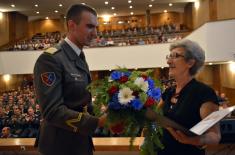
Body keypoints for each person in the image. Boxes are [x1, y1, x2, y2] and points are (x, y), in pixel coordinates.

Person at [33, 4, 106, 155]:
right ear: (72, 25)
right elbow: (52, 111)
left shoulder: (79, 56)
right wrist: (97, 122)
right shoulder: (51, 59)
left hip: (80, 142)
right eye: (90, 27)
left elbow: (81, 103)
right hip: (59, 146)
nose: (95, 33)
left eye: (96, 27)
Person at [156, 39, 221, 155]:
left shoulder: (204, 93)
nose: (169, 61)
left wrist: (193, 140)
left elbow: (215, 135)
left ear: (190, 63)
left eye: (175, 56)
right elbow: (155, 117)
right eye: (169, 56)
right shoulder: (168, 92)